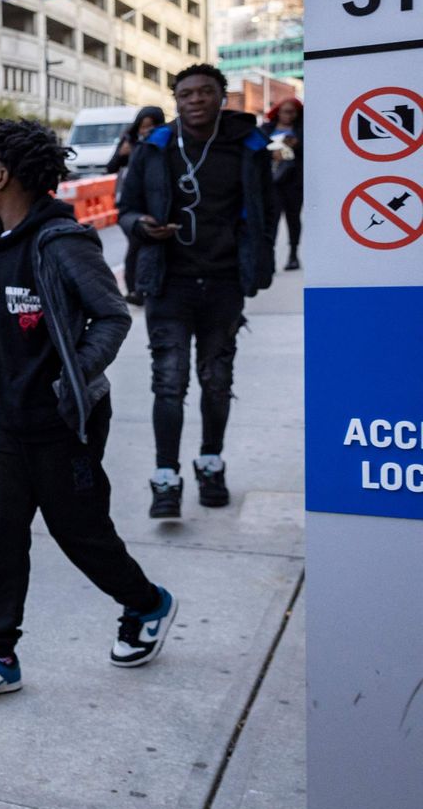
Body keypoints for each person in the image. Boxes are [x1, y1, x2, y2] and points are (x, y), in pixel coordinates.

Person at [0, 118, 177, 708]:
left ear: (3, 177)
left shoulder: (61, 243)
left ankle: (146, 604)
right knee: (1, 537)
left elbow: (112, 315)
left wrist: (72, 373)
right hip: (6, 422)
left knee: (80, 532)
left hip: (62, 422)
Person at [116, 64, 275, 519]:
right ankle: (166, 477)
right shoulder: (155, 147)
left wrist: (258, 260)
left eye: (206, 91)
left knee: (217, 380)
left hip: (224, 282)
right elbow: (126, 208)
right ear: (176, 101)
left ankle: (210, 463)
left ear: (222, 98)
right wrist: (142, 226)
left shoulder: (247, 146)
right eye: (186, 94)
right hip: (169, 282)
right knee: (169, 382)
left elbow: (267, 209)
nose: (196, 100)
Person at [107, 106, 166, 307]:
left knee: (140, 245)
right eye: (143, 126)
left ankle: (139, 288)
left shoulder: (161, 143)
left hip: (151, 202)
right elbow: (110, 167)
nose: (146, 130)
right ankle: (136, 288)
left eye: (151, 126)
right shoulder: (128, 141)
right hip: (129, 201)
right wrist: (123, 154)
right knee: (135, 244)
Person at [265, 97, 303, 271]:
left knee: (293, 219)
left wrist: (296, 145)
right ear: (278, 112)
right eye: (286, 111)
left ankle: (293, 255)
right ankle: (269, 258)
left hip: (293, 182)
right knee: (271, 221)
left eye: (293, 112)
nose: (289, 115)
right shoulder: (266, 129)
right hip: (271, 183)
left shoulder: (302, 130)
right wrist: (272, 153)